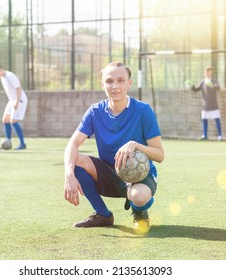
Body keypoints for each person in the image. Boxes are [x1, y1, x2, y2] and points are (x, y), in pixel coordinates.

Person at [64, 61, 165, 233]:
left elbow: (159, 155)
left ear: (129, 83)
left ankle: (139, 212)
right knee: (76, 160)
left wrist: (135, 145)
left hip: (140, 177)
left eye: (120, 80)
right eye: (109, 81)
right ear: (102, 84)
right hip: (110, 174)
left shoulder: (143, 111)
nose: (115, 86)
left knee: (138, 196)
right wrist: (69, 174)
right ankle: (103, 215)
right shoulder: (95, 112)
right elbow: (73, 143)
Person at [0, 62, 28, 150]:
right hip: (12, 100)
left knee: (13, 121)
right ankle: (8, 143)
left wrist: (17, 102)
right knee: (5, 120)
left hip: (19, 99)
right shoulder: (2, 77)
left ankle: (22, 144)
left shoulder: (10, 76)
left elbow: (18, 88)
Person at [191, 66, 222, 140]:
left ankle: (220, 136)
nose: (208, 73)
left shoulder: (214, 80)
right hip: (205, 105)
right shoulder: (203, 82)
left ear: (211, 72)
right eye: (206, 72)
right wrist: (192, 87)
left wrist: (213, 85)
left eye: (209, 71)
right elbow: (196, 89)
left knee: (217, 119)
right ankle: (204, 135)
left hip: (214, 105)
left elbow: (218, 87)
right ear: (204, 73)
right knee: (204, 119)